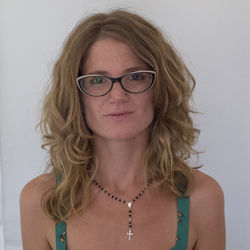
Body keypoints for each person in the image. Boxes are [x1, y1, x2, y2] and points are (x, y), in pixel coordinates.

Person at [20, 9, 225, 250]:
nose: (118, 95)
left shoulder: (202, 198)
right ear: (76, 97)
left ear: (160, 89)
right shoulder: (41, 201)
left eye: (135, 77)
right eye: (97, 80)